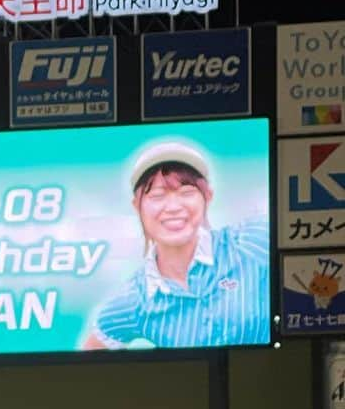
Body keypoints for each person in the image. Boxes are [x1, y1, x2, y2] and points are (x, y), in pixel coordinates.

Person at [84, 141, 269, 350]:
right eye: (157, 195)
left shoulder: (253, 241)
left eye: (186, 192)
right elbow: (86, 361)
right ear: (137, 206)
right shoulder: (135, 298)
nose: (173, 207)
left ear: (208, 196)